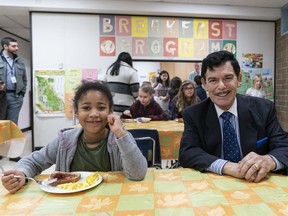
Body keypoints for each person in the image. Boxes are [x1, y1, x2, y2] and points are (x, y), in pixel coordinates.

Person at [1, 81, 147, 193]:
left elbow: (138, 174)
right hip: (70, 204)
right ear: (76, 112)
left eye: (101, 108)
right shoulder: (65, 141)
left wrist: (121, 133)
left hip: (111, 200)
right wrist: (21, 173)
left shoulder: (119, 139)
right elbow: (34, 161)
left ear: (111, 111)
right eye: (86, 108)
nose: (94, 113)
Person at [179, 50, 288, 183]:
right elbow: (188, 152)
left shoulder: (264, 109)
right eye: (213, 80)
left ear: (239, 79)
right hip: (212, 188)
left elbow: (284, 146)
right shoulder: (194, 114)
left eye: (228, 78)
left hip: (258, 184)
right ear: (204, 83)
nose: (221, 86)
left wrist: (268, 161)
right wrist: (227, 166)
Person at [0, 37, 27, 162]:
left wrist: (21, 94)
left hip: (15, 97)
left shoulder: (20, 61)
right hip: (1, 96)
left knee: (13, 125)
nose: (17, 48)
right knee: (1, 125)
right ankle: (1, 152)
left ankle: (13, 154)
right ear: (5, 46)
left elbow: (24, 80)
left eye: (17, 46)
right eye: (13, 46)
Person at [104, 52, 140, 116]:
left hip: (111, 107)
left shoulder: (109, 70)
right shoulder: (131, 71)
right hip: (126, 108)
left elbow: (104, 88)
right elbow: (136, 92)